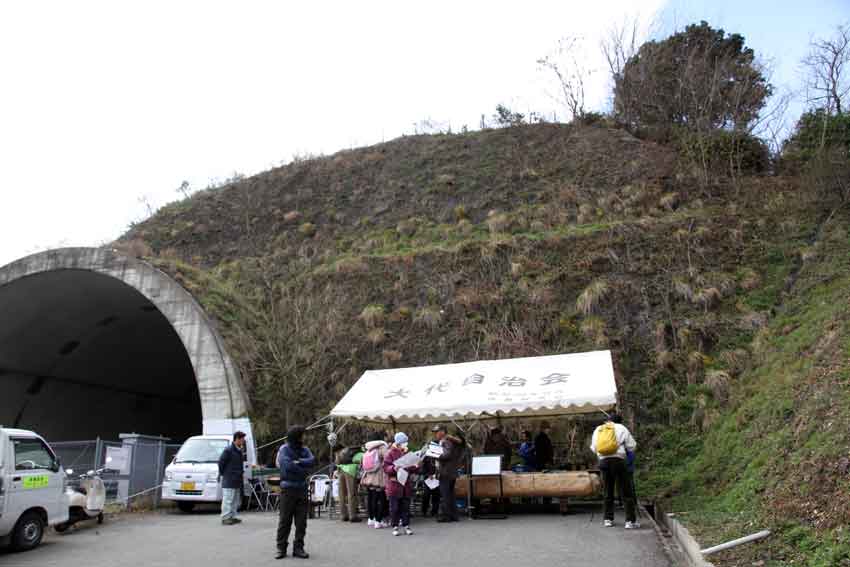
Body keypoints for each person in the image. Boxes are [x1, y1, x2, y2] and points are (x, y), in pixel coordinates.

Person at [590, 413, 638, 529]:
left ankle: (608, 519)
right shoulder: (621, 428)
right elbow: (632, 446)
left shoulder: (599, 429)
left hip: (603, 462)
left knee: (607, 491)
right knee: (626, 491)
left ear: (608, 420)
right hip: (618, 461)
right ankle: (630, 521)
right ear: (619, 421)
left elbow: (594, 448)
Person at [276, 425, 316, 559]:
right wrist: (304, 471)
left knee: (301, 522)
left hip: (302, 489)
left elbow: (312, 461)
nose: (305, 437)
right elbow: (287, 466)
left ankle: (298, 548)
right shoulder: (284, 449)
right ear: (297, 436)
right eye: (303, 435)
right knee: (284, 520)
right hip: (288, 489)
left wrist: (298, 461)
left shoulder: (304, 449)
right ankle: (281, 548)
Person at [383, 432, 419, 536]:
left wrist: (416, 465)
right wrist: (394, 468)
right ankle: (395, 526)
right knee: (394, 508)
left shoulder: (407, 452)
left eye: (406, 442)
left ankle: (406, 526)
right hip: (394, 485)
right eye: (404, 442)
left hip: (405, 485)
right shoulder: (390, 453)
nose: (405, 444)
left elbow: (412, 467)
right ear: (398, 443)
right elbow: (385, 467)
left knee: (405, 507)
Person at [434, 425, 464, 523]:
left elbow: (447, 454)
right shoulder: (451, 441)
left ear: (442, 432)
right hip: (451, 472)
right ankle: (454, 515)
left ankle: (447, 516)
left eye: (437, 432)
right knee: (450, 494)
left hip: (446, 472)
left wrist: (435, 454)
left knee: (445, 494)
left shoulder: (446, 441)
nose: (435, 434)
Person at [360, 432, 390, 528]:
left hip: (368, 477)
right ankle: (379, 521)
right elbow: (388, 459)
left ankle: (371, 519)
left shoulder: (368, 449)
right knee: (380, 499)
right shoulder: (381, 447)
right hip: (379, 477)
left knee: (371, 498)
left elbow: (362, 463)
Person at [218, 431, 246, 526]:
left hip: (237, 479)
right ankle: (225, 517)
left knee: (235, 499)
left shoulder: (239, 450)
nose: (243, 441)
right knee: (228, 499)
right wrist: (224, 473)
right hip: (229, 478)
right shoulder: (228, 450)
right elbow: (221, 463)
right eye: (242, 439)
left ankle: (233, 516)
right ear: (237, 439)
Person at [335, 445, 363, 522]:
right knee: (351, 494)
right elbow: (361, 462)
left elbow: (337, 462)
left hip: (341, 471)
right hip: (350, 472)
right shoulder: (359, 451)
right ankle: (352, 516)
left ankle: (343, 515)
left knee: (342, 494)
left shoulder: (341, 451)